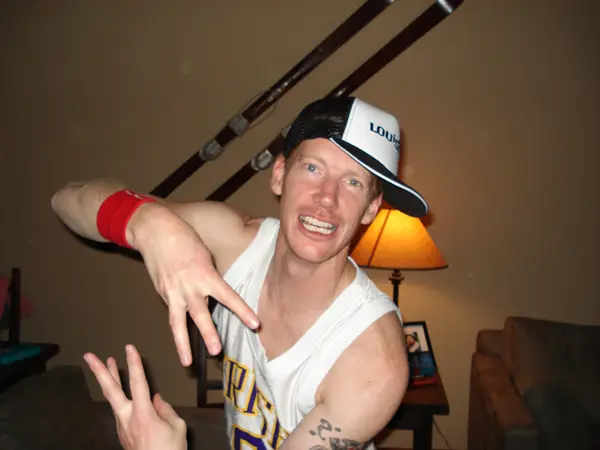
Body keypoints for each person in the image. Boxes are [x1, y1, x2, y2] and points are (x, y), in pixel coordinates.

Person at [52, 96, 429, 450]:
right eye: (313, 168)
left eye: (353, 182)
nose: (327, 198)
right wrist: (145, 222)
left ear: (371, 208)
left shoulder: (372, 363)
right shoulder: (235, 244)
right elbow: (67, 200)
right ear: (279, 174)